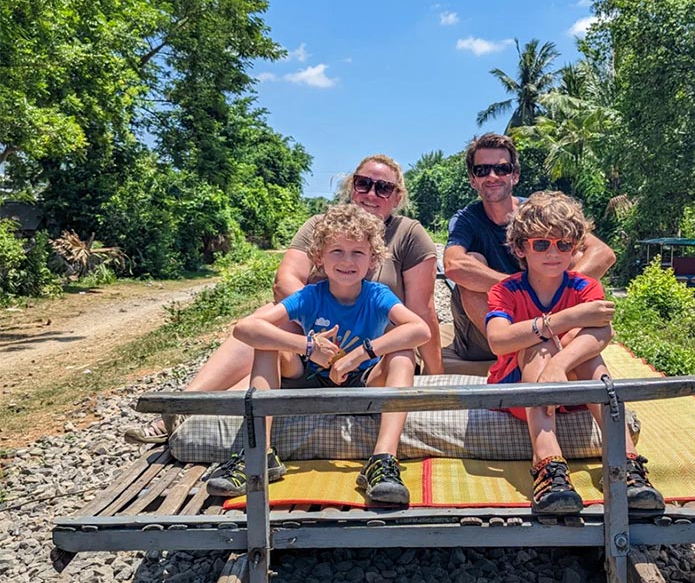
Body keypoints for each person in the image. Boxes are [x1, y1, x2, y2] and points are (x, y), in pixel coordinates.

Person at [124, 154, 443, 444]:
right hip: (312, 335)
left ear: (396, 197)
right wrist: (314, 330)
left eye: (383, 188)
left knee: (399, 341)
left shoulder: (409, 234)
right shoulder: (322, 226)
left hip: (371, 344)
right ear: (352, 186)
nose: (371, 194)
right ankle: (185, 405)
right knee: (267, 316)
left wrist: (435, 376)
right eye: (364, 184)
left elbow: (421, 309)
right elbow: (285, 281)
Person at [205, 204, 431, 502]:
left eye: (357, 253)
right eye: (337, 251)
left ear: (373, 259)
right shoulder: (310, 295)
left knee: (402, 351)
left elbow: (420, 329)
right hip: (309, 376)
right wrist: (308, 347)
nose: (347, 261)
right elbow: (245, 328)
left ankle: (383, 460)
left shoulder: (377, 295)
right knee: (266, 343)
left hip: (363, 381)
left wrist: (361, 354)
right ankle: (257, 453)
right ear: (319, 257)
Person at [484, 191, 664, 515]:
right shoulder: (506, 290)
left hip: (569, 384)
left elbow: (603, 332)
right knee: (536, 347)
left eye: (563, 244)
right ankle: (548, 463)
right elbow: (498, 341)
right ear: (522, 247)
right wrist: (566, 320)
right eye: (541, 244)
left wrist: (559, 363)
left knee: (589, 356)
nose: (553, 252)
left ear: (574, 247)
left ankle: (626, 462)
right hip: (519, 389)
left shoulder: (584, 287)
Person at [443, 133, 617, 362]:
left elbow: (603, 254)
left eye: (502, 169)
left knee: (570, 254)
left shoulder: (537, 213)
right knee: (471, 265)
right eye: (482, 170)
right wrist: (522, 288)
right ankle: (514, 351)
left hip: (548, 316)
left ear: (514, 175)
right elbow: (453, 266)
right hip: (492, 334)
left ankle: (548, 335)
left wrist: (554, 288)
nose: (492, 176)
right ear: (473, 180)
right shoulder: (466, 219)